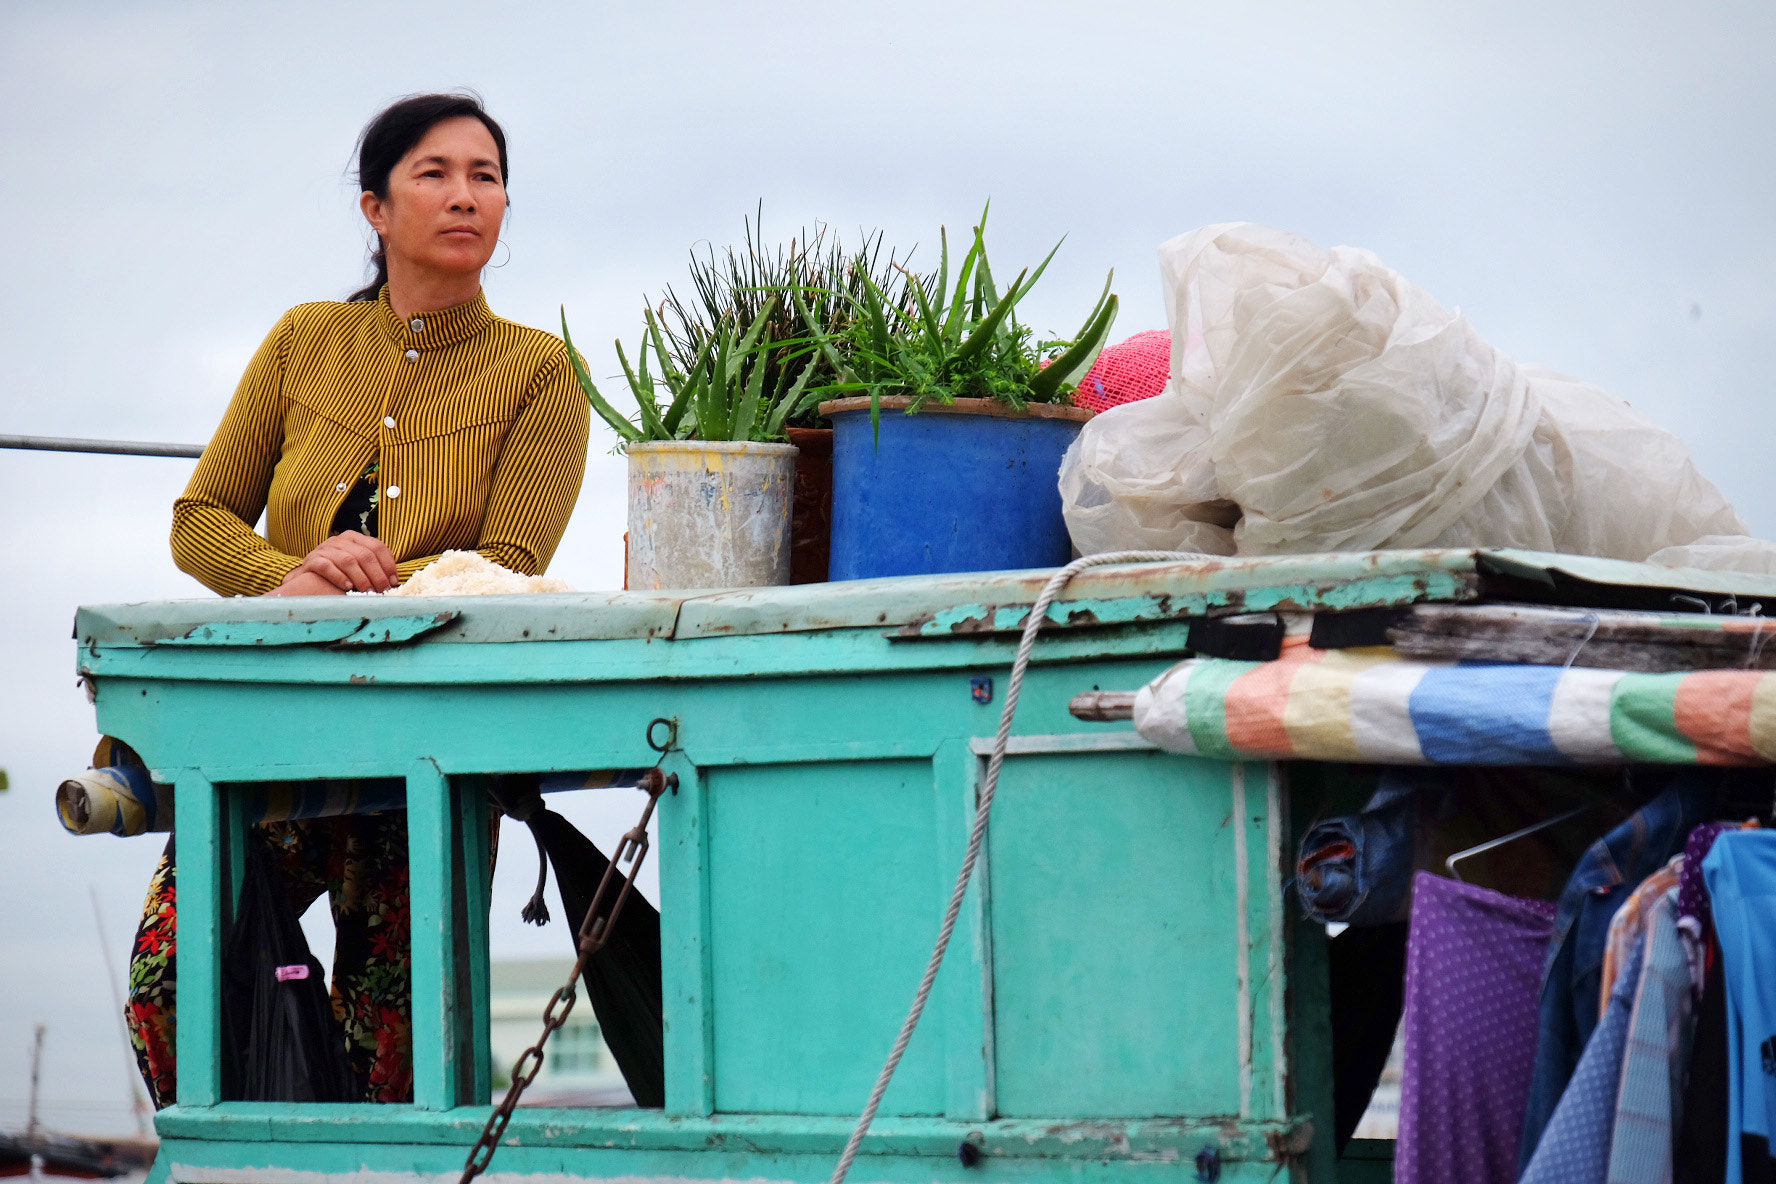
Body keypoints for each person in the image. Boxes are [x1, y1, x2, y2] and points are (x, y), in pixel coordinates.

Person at [125, 92, 589, 1106]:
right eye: (434, 174)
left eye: (486, 176)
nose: (466, 196)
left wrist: (372, 583)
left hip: (423, 746)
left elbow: (507, 567)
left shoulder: (541, 371)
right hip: (272, 735)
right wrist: (284, 578)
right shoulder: (305, 339)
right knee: (168, 982)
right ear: (376, 208)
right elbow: (200, 516)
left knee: (396, 1047)